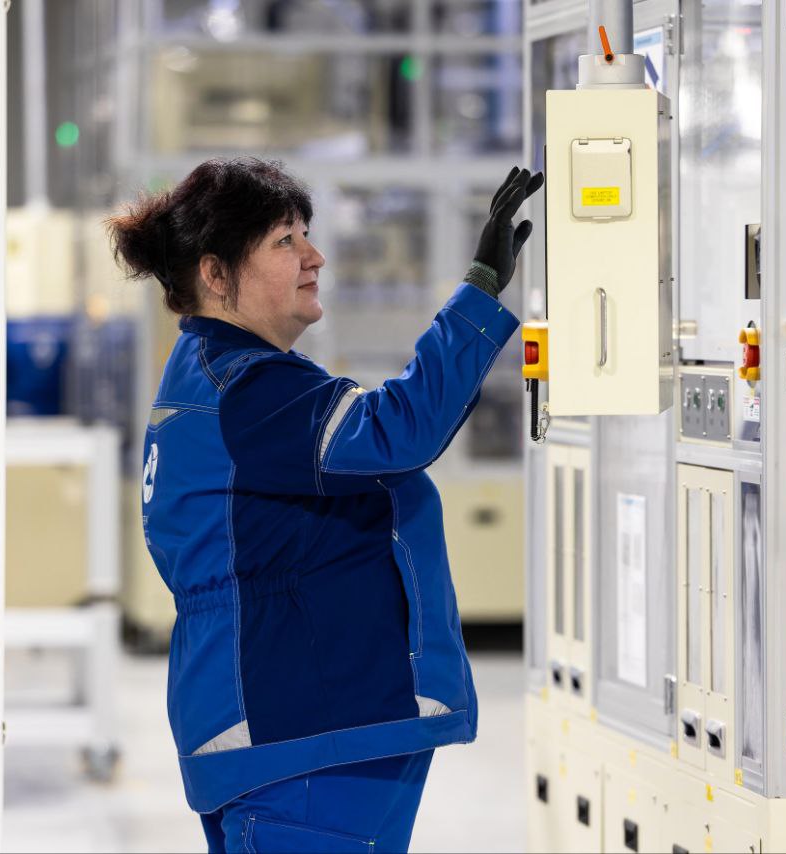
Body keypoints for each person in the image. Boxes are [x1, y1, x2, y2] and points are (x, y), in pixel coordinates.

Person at [108, 157, 542, 853]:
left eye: (305, 234)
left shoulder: (215, 375)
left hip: (293, 727)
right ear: (216, 274)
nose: (314, 257)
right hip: (305, 731)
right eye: (284, 241)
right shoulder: (247, 387)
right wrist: (480, 289)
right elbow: (401, 430)